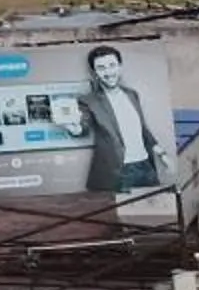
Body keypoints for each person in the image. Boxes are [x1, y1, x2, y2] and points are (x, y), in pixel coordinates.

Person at [71, 45, 171, 194]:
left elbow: (141, 128)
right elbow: (84, 125)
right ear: (95, 73)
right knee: (126, 215)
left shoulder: (132, 94)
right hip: (120, 171)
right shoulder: (88, 101)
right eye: (101, 68)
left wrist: (161, 154)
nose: (108, 72)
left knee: (155, 212)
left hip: (146, 165)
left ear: (120, 66)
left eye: (112, 65)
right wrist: (75, 129)